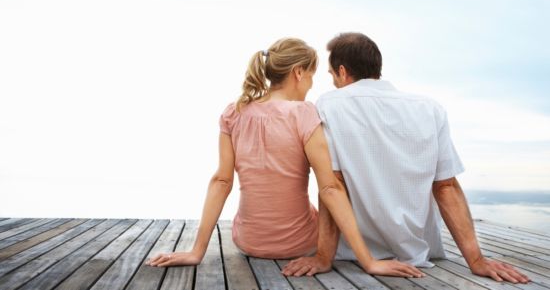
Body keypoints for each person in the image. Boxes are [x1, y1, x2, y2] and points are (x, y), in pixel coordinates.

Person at [146, 38, 422, 278]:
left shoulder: (233, 112)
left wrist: (196, 252)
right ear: (298, 72)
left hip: (247, 242)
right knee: (338, 187)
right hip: (302, 242)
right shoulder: (304, 113)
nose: (312, 85)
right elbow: (329, 188)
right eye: (313, 75)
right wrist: (369, 262)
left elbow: (221, 181)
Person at [282, 33, 530, 284]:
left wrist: (324, 257)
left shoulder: (328, 105)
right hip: (419, 259)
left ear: (342, 71)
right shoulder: (429, 108)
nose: (334, 82)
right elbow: (446, 187)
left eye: (332, 75)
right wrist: (476, 260)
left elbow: (333, 185)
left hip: (353, 257)